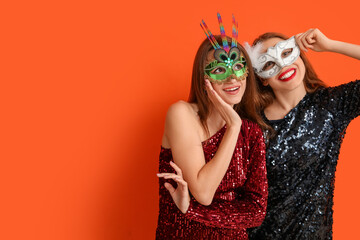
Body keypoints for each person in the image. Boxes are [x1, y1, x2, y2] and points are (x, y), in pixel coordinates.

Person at [155, 14, 268, 240]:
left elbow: (256, 212)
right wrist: (233, 126)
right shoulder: (182, 114)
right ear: (202, 77)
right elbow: (204, 192)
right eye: (219, 70)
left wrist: (191, 210)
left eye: (238, 66)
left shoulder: (252, 133)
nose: (232, 78)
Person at [244, 28, 360, 239]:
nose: (283, 65)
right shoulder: (250, 124)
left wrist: (331, 45)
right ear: (262, 78)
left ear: (300, 54)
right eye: (269, 63)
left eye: (286, 53)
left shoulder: (331, 106)